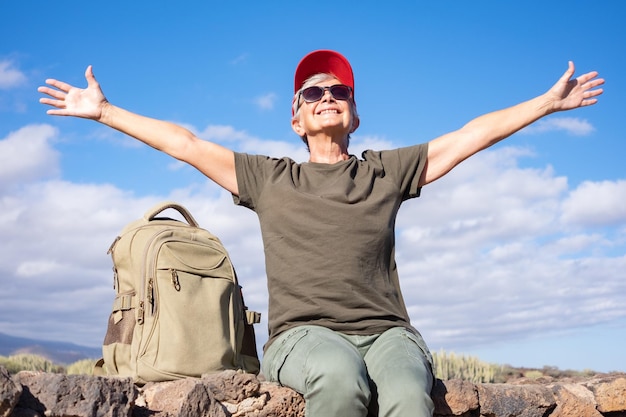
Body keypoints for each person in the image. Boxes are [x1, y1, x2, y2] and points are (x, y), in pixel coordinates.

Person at [39, 50, 604, 417]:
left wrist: (546, 105)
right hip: (302, 337)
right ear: (295, 117)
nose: (327, 98)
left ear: (354, 114)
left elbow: (469, 135)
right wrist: (106, 112)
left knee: (410, 395)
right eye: (313, 93)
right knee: (338, 378)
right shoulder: (269, 178)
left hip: (388, 333)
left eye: (339, 93)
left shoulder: (385, 172)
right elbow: (185, 143)